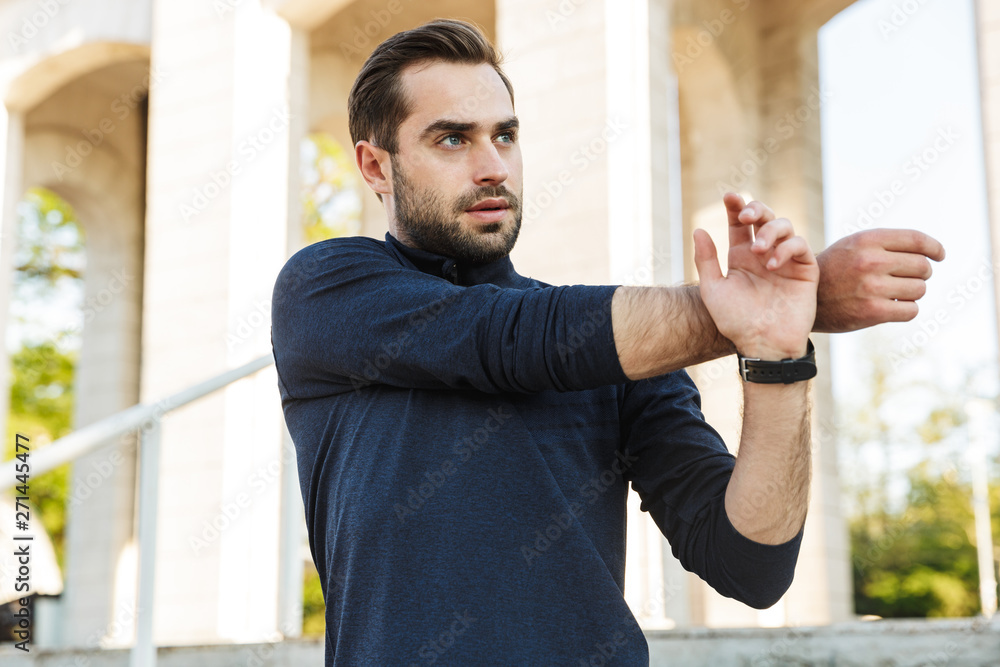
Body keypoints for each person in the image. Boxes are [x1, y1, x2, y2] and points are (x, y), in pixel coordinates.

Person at [270, 19, 945, 666]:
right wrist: (773, 306)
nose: (492, 166)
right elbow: (508, 341)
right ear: (376, 166)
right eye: (452, 140)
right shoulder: (329, 291)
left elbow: (751, 563)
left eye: (505, 136)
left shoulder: (621, 354)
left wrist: (779, 349)